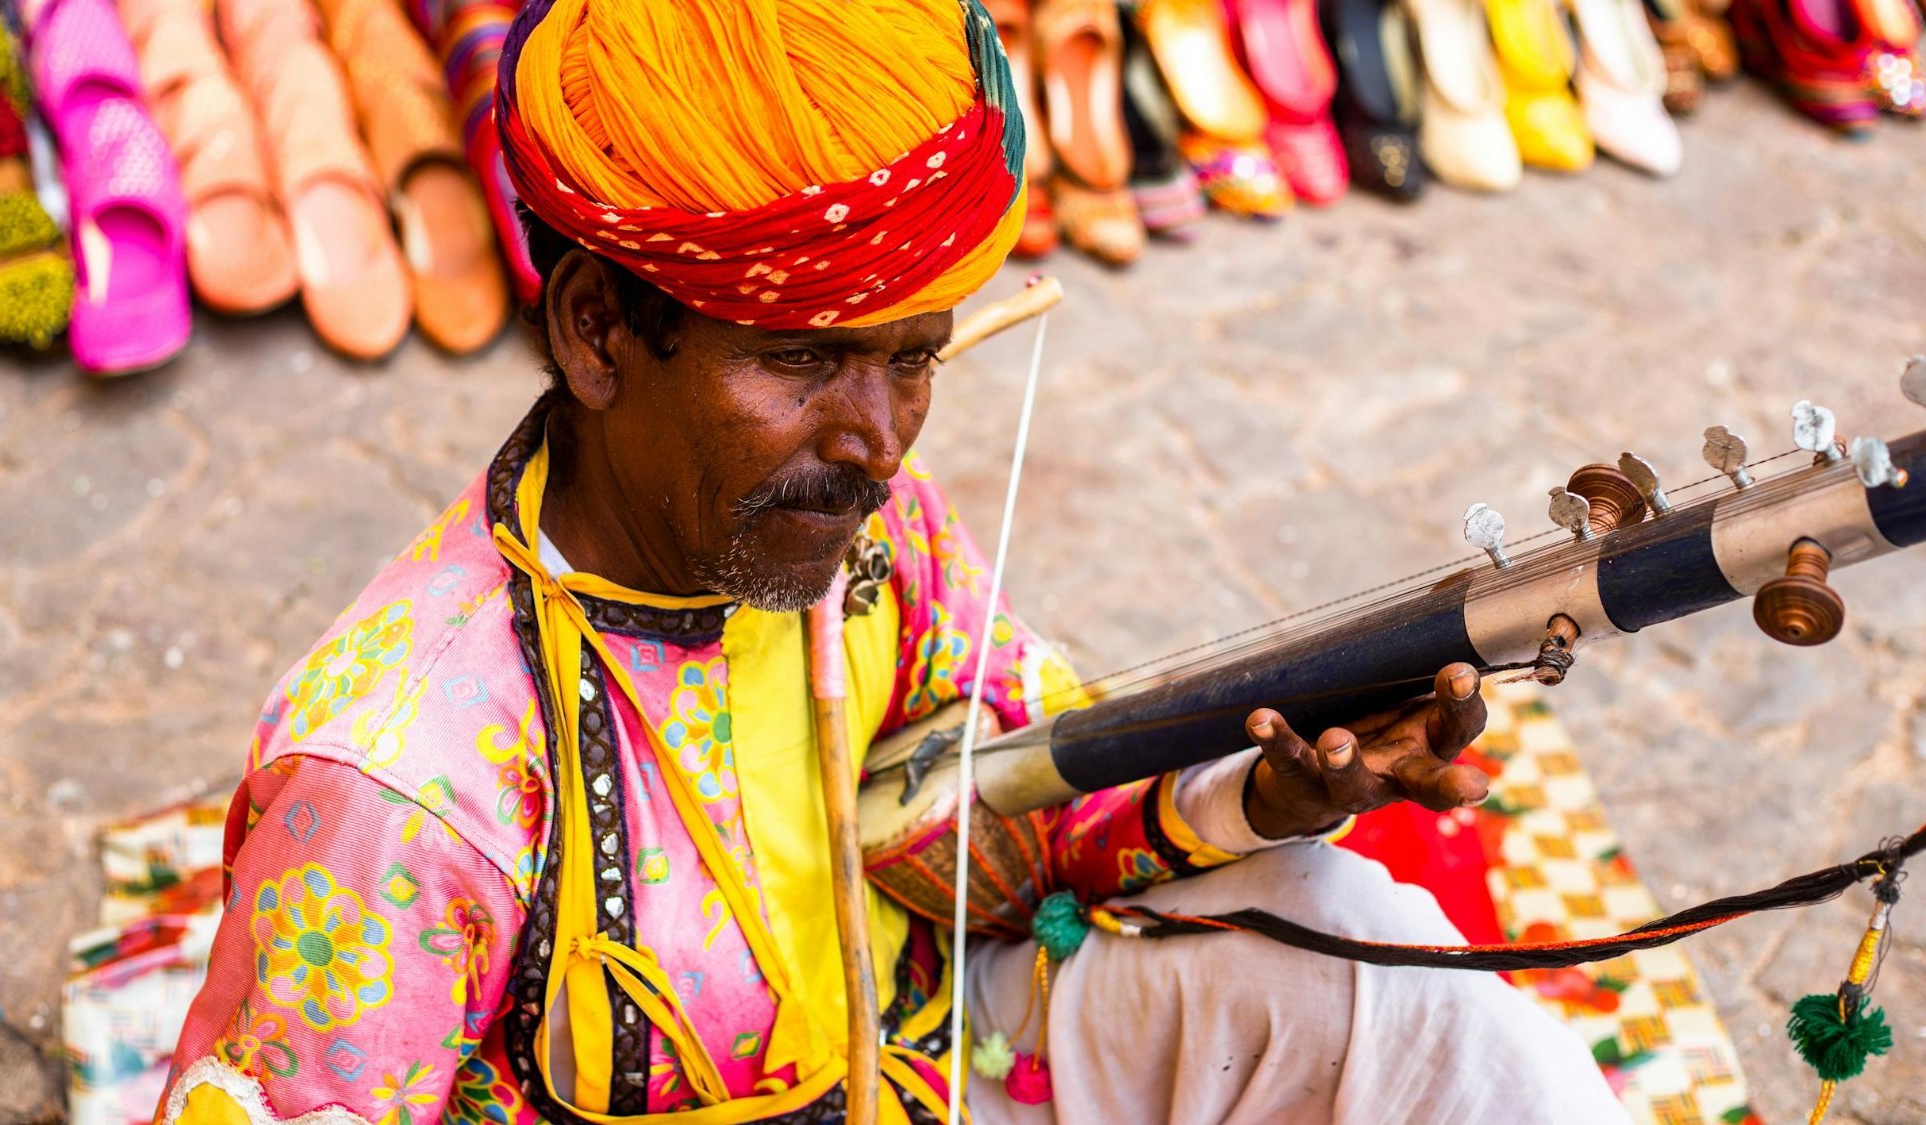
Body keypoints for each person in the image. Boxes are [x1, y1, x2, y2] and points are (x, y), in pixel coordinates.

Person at [158, 1, 1624, 1121]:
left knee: (1351, 938)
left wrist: (1258, 785)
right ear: (599, 330)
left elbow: (1016, 815)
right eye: (803, 359)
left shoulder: (852, 523)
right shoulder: (404, 792)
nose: (878, 441)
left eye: (913, 362)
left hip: (935, 1055)